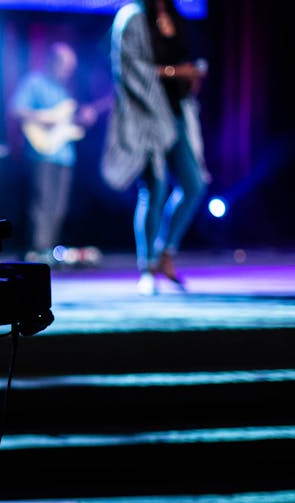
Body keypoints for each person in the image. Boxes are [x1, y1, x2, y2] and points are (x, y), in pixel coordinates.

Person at [101, 0, 209, 295]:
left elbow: (186, 58)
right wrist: (176, 72)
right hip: (145, 117)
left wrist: (191, 75)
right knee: (155, 187)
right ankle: (147, 267)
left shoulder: (174, 15)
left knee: (194, 184)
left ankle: (166, 252)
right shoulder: (133, 16)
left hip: (178, 113)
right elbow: (130, 68)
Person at [10, 41, 105, 265]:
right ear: (53, 62)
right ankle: (38, 251)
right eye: (65, 64)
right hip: (42, 153)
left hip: (64, 155)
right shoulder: (34, 82)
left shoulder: (65, 91)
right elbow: (17, 109)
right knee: (42, 203)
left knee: (59, 206)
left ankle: (50, 251)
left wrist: (85, 119)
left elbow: (72, 125)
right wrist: (48, 118)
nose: (68, 70)